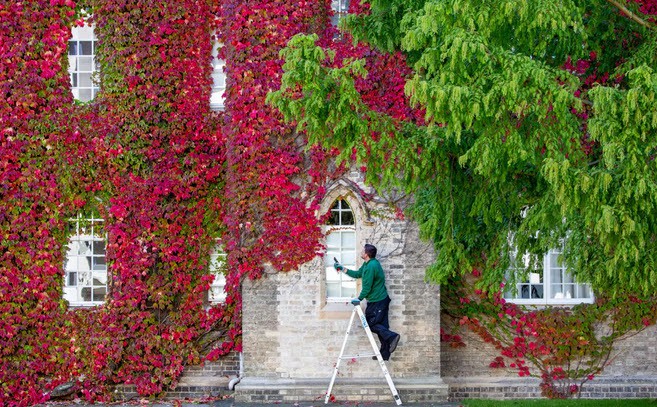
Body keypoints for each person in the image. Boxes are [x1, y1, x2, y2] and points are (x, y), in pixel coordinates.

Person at [334, 244, 400, 361]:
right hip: (380, 300)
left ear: (367, 254)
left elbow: (367, 287)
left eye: (362, 250)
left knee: (370, 324)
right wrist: (342, 268)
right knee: (382, 326)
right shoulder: (367, 264)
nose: (361, 251)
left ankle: (392, 336)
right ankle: (384, 353)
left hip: (377, 301)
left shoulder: (371, 266)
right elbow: (357, 274)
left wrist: (358, 299)